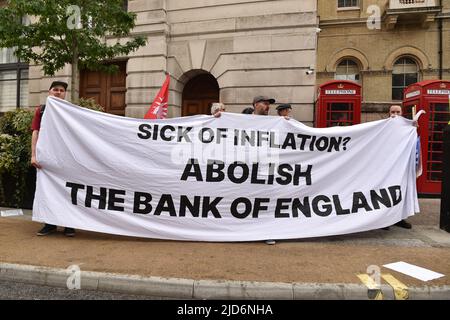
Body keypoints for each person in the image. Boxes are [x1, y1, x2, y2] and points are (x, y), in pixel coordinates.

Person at [31, 80, 76, 237]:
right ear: (49, 92)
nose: (58, 92)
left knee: (68, 190)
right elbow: (35, 132)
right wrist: (33, 155)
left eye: (61, 90)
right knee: (48, 189)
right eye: (55, 89)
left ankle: (69, 224)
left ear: (65, 94)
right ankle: (50, 223)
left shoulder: (71, 111)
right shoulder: (41, 111)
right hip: (47, 158)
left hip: (67, 159)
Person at [382, 105, 413, 230]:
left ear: (402, 113)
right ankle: (384, 220)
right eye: (392, 112)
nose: (395, 114)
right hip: (387, 166)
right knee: (386, 191)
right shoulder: (383, 126)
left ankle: (398, 218)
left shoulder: (408, 127)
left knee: (400, 191)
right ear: (389, 113)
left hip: (401, 165)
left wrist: (414, 129)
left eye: (397, 112)